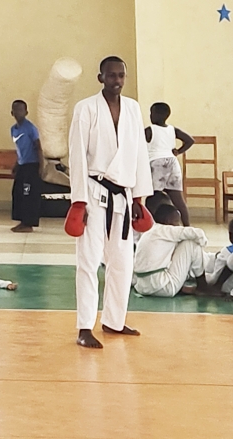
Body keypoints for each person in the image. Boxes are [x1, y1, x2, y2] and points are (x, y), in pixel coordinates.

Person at [68, 56, 153, 349]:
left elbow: (140, 153)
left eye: (121, 76)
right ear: (100, 77)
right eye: (111, 75)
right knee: (88, 263)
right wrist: (78, 201)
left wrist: (140, 197)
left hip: (124, 196)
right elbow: (77, 155)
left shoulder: (133, 109)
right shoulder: (86, 109)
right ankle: (84, 327)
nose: (117, 80)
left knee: (122, 263)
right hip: (93, 194)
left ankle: (114, 321)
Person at [131, 204, 210, 297]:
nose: (178, 225)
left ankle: (184, 283)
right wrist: (203, 243)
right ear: (168, 221)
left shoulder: (150, 231)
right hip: (163, 287)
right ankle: (203, 287)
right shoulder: (166, 230)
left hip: (142, 287)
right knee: (191, 243)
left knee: (180, 246)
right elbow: (198, 233)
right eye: (177, 222)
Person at [144, 102, 195, 226]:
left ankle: (151, 226)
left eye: (152, 113)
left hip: (157, 164)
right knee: (179, 200)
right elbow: (190, 140)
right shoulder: (173, 129)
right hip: (172, 163)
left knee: (153, 198)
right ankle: (187, 227)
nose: (150, 115)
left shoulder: (150, 130)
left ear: (155, 114)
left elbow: (137, 145)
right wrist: (178, 151)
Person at [9, 99, 42, 233]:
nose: (18, 112)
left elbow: (38, 147)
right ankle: (21, 221)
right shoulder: (13, 129)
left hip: (32, 166)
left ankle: (29, 223)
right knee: (17, 193)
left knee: (28, 194)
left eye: (20, 109)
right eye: (15, 109)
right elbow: (20, 149)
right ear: (12, 112)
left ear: (26, 112)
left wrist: (41, 166)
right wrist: (16, 164)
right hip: (22, 166)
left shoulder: (30, 128)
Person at [204, 217, 233, 293]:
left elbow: (215, 277)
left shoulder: (226, 252)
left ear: (230, 234)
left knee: (201, 267)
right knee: (213, 257)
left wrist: (202, 277)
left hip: (225, 287)